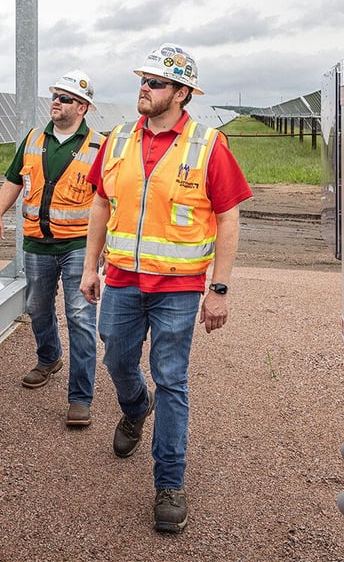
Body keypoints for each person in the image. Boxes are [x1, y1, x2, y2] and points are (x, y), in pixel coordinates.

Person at [79, 43, 252, 533]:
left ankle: (169, 483)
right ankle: (136, 406)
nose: (144, 88)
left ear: (181, 93)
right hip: (123, 283)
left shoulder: (207, 144)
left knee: (172, 379)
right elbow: (99, 206)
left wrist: (218, 288)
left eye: (155, 83)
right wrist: (90, 267)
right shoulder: (117, 141)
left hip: (178, 289)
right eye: (143, 80)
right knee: (115, 359)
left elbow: (228, 216)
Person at [0, 70, 105, 427]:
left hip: (78, 245)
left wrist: (106, 246)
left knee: (80, 318)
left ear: (82, 107)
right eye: (55, 95)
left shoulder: (100, 146)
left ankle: (80, 398)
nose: (56, 101)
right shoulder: (34, 138)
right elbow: (13, 180)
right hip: (37, 242)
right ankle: (49, 357)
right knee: (37, 307)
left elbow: (108, 200)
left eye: (65, 98)